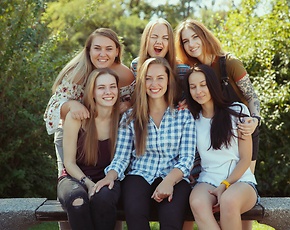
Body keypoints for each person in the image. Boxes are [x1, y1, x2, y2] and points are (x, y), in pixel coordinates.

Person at [92, 57, 196, 230]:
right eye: (148, 78)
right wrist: (109, 176)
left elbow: (187, 159)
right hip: (139, 174)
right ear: (142, 82)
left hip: (174, 177)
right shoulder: (130, 117)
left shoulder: (184, 116)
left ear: (169, 81)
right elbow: (121, 157)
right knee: (135, 216)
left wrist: (168, 182)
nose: (154, 83)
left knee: (171, 221)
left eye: (160, 78)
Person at [44, 28, 133, 230]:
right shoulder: (76, 73)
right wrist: (72, 106)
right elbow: (52, 110)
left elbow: (136, 99)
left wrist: (127, 105)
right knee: (73, 190)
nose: (103, 54)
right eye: (97, 48)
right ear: (88, 50)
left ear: (117, 51)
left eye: (109, 48)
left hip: (110, 129)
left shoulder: (125, 75)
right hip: (74, 129)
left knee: (107, 194)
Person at [184, 64, 259, 230]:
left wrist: (225, 185)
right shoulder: (191, 120)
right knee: (197, 202)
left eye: (203, 85)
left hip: (240, 181)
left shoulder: (238, 111)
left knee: (228, 200)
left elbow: (246, 159)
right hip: (207, 180)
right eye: (193, 87)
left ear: (213, 84)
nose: (198, 91)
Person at [57, 68, 122, 230]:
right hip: (74, 177)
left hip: (108, 178)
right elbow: (69, 162)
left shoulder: (122, 119)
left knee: (102, 199)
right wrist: (88, 183)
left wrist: (101, 183)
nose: (108, 92)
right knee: (77, 202)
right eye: (101, 87)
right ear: (92, 92)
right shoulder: (77, 117)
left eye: (112, 86)